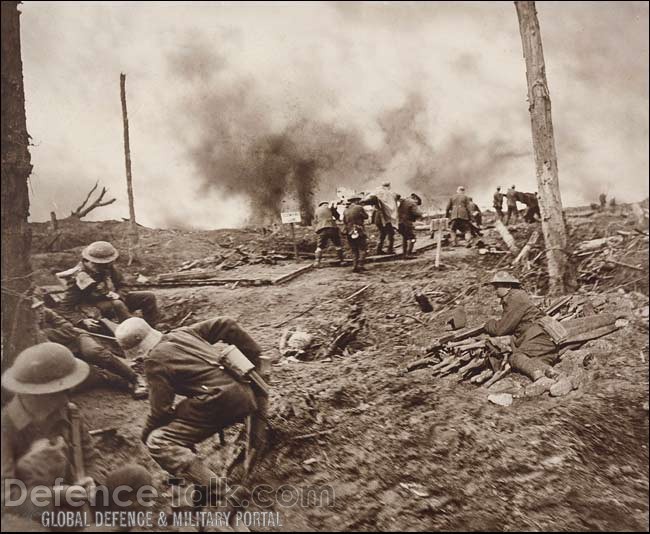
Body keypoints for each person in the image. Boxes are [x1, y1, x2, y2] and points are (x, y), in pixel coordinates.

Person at [115, 317, 265, 526]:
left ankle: (223, 493)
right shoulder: (182, 332)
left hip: (219, 401)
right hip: (243, 391)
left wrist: (145, 434)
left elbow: (161, 411)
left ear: (137, 350)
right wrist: (252, 358)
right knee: (179, 420)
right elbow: (226, 324)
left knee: (159, 442)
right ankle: (198, 491)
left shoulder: (154, 361)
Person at [1, 343, 150, 524]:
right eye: (60, 391)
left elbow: (91, 457)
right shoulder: (6, 429)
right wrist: (57, 495)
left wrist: (92, 481)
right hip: (37, 514)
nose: (66, 398)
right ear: (34, 394)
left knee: (136, 477)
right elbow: (6, 499)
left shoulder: (70, 414)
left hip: (80, 503)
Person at [33, 298, 147, 399]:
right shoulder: (25, 327)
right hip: (61, 353)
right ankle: (124, 384)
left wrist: (46, 334)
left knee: (93, 353)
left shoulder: (47, 313)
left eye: (40, 307)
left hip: (77, 339)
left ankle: (135, 377)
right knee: (84, 375)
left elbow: (68, 329)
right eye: (35, 310)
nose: (40, 312)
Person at [57, 241, 158, 326]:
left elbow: (123, 285)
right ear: (87, 261)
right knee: (118, 305)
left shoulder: (107, 268)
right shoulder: (77, 278)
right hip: (94, 308)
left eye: (106, 263)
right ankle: (131, 331)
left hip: (114, 300)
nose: (104, 266)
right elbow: (65, 307)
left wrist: (119, 295)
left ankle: (151, 327)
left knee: (149, 296)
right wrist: (82, 320)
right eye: (97, 264)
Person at [484, 272, 562, 382]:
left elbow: (500, 329)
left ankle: (540, 377)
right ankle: (552, 376)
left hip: (539, 335)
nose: (495, 289)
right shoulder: (514, 297)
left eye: (497, 286)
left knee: (515, 357)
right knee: (535, 361)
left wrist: (489, 324)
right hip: (541, 337)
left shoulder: (516, 298)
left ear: (508, 286)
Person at [313, 201, 344, 267]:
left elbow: (316, 220)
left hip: (321, 229)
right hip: (332, 228)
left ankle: (317, 262)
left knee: (319, 246)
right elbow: (337, 216)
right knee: (337, 245)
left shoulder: (317, 210)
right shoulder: (330, 208)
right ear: (326, 204)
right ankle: (341, 261)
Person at [343, 196, 369, 273]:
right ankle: (361, 265)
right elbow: (366, 216)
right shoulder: (359, 207)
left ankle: (355, 266)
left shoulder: (346, 210)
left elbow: (344, 221)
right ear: (356, 201)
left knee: (354, 250)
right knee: (363, 249)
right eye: (358, 200)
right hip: (359, 230)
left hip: (349, 231)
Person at [371, 182, 398, 255]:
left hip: (378, 218)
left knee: (382, 234)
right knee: (391, 233)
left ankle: (379, 249)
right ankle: (390, 249)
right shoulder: (387, 194)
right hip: (384, 218)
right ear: (388, 186)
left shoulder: (377, 192)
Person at [397, 193, 424, 258]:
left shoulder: (403, 201)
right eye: (417, 203)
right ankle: (409, 253)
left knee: (405, 237)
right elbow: (417, 213)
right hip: (407, 223)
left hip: (399, 222)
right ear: (415, 199)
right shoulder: (412, 202)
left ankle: (404, 253)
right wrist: (421, 214)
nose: (417, 204)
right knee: (412, 238)